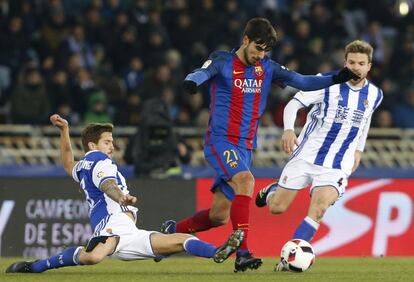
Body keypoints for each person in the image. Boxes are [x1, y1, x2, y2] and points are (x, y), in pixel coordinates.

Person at [161, 17, 359, 273]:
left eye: (265, 50)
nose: (260, 55)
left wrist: (336, 77)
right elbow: (203, 71)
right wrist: (192, 81)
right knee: (247, 181)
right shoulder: (222, 60)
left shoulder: (268, 67)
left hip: (245, 147)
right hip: (221, 141)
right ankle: (243, 253)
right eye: (257, 48)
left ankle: (171, 232)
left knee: (219, 215)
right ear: (245, 40)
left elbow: (302, 81)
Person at [5, 114, 244, 274]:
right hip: (113, 227)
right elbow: (107, 182)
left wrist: (64, 131)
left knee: (181, 241)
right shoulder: (101, 162)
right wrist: (120, 196)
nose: (112, 146)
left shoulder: (83, 166)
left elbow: (68, 164)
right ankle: (35, 267)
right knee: (94, 257)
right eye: (107, 141)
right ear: (93, 145)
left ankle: (218, 252)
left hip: (127, 233)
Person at [255, 40, 382, 271]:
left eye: (361, 63)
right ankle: (272, 190)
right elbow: (293, 104)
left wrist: (358, 150)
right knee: (277, 208)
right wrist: (288, 129)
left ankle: (288, 260)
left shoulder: (375, 94)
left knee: (319, 208)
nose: (356, 67)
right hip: (307, 155)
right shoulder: (327, 83)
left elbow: (365, 122)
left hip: (337, 163)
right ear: (345, 62)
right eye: (352, 62)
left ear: (369, 66)